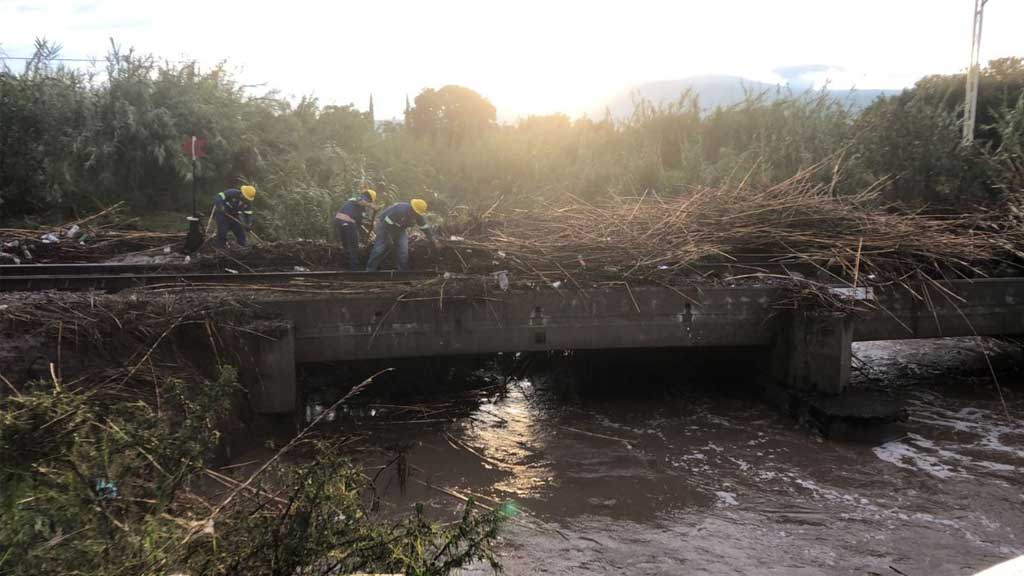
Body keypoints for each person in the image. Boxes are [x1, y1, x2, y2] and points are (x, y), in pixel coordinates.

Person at [366, 199, 436, 272]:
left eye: (418, 213)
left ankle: (402, 271)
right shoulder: (400, 210)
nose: (416, 215)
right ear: (412, 208)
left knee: (403, 250)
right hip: (384, 226)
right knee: (379, 249)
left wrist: (432, 239)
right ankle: (370, 270)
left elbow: (424, 227)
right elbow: (386, 224)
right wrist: (388, 238)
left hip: (400, 229)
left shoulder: (418, 215)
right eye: (415, 212)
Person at [333, 188, 377, 269]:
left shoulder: (357, 205)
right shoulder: (359, 199)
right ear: (369, 199)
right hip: (348, 223)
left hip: (340, 222)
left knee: (346, 245)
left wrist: (369, 224)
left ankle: (347, 266)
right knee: (354, 247)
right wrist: (371, 206)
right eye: (370, 201)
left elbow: (359, 221)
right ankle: (354, 268)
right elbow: (361, 202)